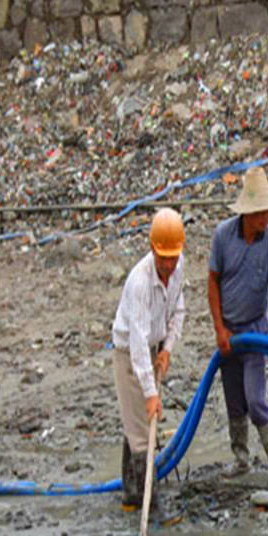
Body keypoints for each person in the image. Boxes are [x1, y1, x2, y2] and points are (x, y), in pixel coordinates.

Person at [208, 167, 268, 486]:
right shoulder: (223, 235)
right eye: (260, 212)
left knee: (256, 398)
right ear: (247, 214)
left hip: (255, 331)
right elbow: (212, 283)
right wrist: (220, 329)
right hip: (229, 334)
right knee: (234, 399)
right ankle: (241, 459)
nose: (266, 218)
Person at [112, 207, 186, 511]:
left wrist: (167, 349)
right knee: (142, 430)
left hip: (153, 347)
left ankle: (131, 493)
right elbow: (138, 343)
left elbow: (178, 309)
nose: (168, 265)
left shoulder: (179, 266)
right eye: (163, 258)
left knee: (138, 423)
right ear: (152, 250)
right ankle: (148, 504)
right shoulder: (140, 281)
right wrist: (151, 393)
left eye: (172, 257)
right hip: (130, 353)